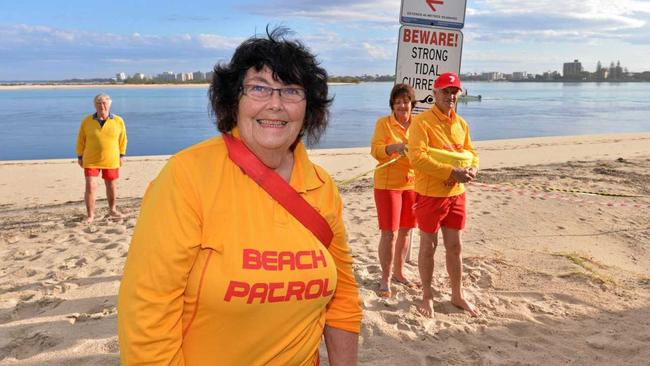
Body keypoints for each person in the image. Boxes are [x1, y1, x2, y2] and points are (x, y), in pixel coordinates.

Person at [118, 27, 362, 365]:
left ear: (309, 108)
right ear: (234, 100)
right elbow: (148, 308)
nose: (275, 104)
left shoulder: (322, 186)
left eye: (291, 91)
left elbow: (344, 299)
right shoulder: (188, 176)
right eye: (259, 88)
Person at [407, 72, 480, 317]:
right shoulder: (422, 122)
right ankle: (426, 296)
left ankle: (457, 295)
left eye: (454, 92)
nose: (450, 96)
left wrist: (473, 168)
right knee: (429, 245)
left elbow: (471, 152)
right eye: (445, 91)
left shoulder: (461, 124)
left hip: (457, 193)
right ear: (435, 93)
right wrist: (451, 171)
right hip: (431, 194)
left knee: (455, 246)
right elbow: (417, 159)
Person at [370, 83, 418, 297]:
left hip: (413, 184)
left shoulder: (419, 124)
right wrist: (394, 148)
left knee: (407, 230)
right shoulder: (383, 124)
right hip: (388, 184)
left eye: (405, 101)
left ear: (412, 104)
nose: (402, 105)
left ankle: (399, 272)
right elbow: (376, 150)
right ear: (392, 105)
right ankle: (385, 277)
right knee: (389, 233)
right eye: (397, 102)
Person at [75, 93, 127, 223]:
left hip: (111, 159)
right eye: (99, 103)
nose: (102, 106)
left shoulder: (118, 120)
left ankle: (112, 210)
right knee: (91, 186)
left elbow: (123, 139)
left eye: (104, 103)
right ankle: (90, 215)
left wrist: (121, 155)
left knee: (111, 186)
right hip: (91, 160)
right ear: (95, 105)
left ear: (109, 104)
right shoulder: (86, 121)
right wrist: (80, 155)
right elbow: (81, 139)